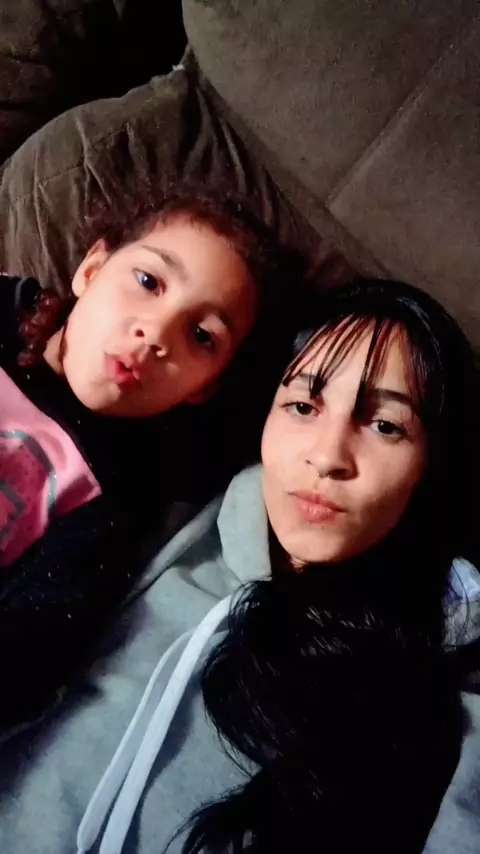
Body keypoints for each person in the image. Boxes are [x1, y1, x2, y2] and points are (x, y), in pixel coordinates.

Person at [0, 278, 478, 854]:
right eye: (302, 406)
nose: (327, 456)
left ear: (431, 466)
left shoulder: (451, 665)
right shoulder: (157, 525)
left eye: (386, 426)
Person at [0, 186, 293, 733]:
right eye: (148, 281)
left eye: (201, 336)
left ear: (205, 386)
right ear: (92, 268)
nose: (155, 333)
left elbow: (31, 648)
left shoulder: (115, 493)